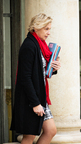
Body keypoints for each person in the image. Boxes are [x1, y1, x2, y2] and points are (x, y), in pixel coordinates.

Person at [10, 13, 61, 144]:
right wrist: (35, 103)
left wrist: (52, 69)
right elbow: (25, 77)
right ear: (36, 27)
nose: (49, 32)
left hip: (39, 97)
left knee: (50, 130)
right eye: (46, 29)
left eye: (49, 29)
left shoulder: (39, 45)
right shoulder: (29, 46)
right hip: (31, 99)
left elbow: (38, 72)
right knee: (29, 137)